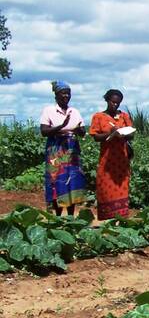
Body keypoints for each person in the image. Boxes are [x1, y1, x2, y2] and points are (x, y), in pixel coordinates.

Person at [39, 81, 87, 216]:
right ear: (56, 95)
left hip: (72, 150)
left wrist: (78, 130)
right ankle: (58, 216)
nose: (66, 96)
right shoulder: (49, 110)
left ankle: (71, 216)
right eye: (63, 93)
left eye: (68, 93)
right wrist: (61, 126)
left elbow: (82, 131)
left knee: (72, 182)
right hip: (55, 150)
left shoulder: (74, 111)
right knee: (56, 182)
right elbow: (44, 131)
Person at [89, 89, 133, 220]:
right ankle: (108, 217)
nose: (115, 105)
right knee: (105, 186)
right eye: (113, 102)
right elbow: (96, 137)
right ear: (107, 100)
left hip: (121, 159)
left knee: (122, 186)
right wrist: (111, 133)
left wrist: (124, 133)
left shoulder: (124, 116)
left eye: (118, 103)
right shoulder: (99, 117)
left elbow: (131, 134)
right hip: (107, 159)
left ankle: (121, 217)